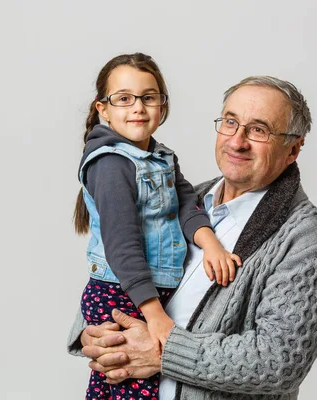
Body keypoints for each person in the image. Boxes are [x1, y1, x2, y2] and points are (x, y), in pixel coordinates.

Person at [68, 76, 317, 400]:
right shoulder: (179, 201)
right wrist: (91, 335)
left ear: (293, 148)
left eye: (258, 130)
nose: (237, 141)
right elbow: (116, 268)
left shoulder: (306, 241)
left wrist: (162, 352)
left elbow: (277, 363)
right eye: (230, 122)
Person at [72, 52, 242, 400]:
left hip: (148, 291)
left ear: (162, 107)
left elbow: (185, 202)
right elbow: (124, 246)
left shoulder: (161, 157)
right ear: (102, 109)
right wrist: (155, 316)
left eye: (148, 98)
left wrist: (210, 243)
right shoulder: (110, 165)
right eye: (124, 99)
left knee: (144, 384)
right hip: (120, 292)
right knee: (127, 384)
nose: (138, 108)